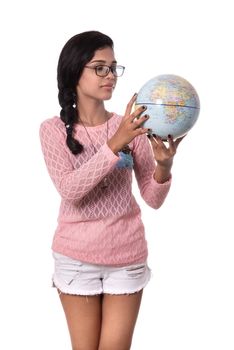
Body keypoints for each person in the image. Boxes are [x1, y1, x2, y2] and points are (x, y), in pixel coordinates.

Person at [39, 30, 183, 350]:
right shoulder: (52, 130)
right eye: (99, 67)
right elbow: (71, 190)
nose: (110, 76)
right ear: (75, 71)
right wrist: (116, 142)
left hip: (126, 257)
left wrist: (164, 167)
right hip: (76, 260)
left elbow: (151, 198)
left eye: (114, 67)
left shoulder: (130, 127)